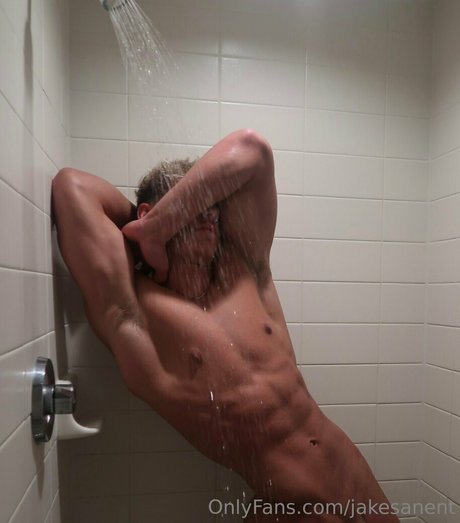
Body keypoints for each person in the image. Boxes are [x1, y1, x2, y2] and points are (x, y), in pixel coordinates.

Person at [52, 129, 400, 523]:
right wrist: (146, 229)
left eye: (210, 208)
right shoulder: (134, 312)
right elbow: (71, 187)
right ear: (148, 213)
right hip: (290, 506)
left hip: (352, 475)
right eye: (192, 208)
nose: (210, 217)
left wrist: (156, 226)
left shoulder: (246, 270)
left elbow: (254, 151)